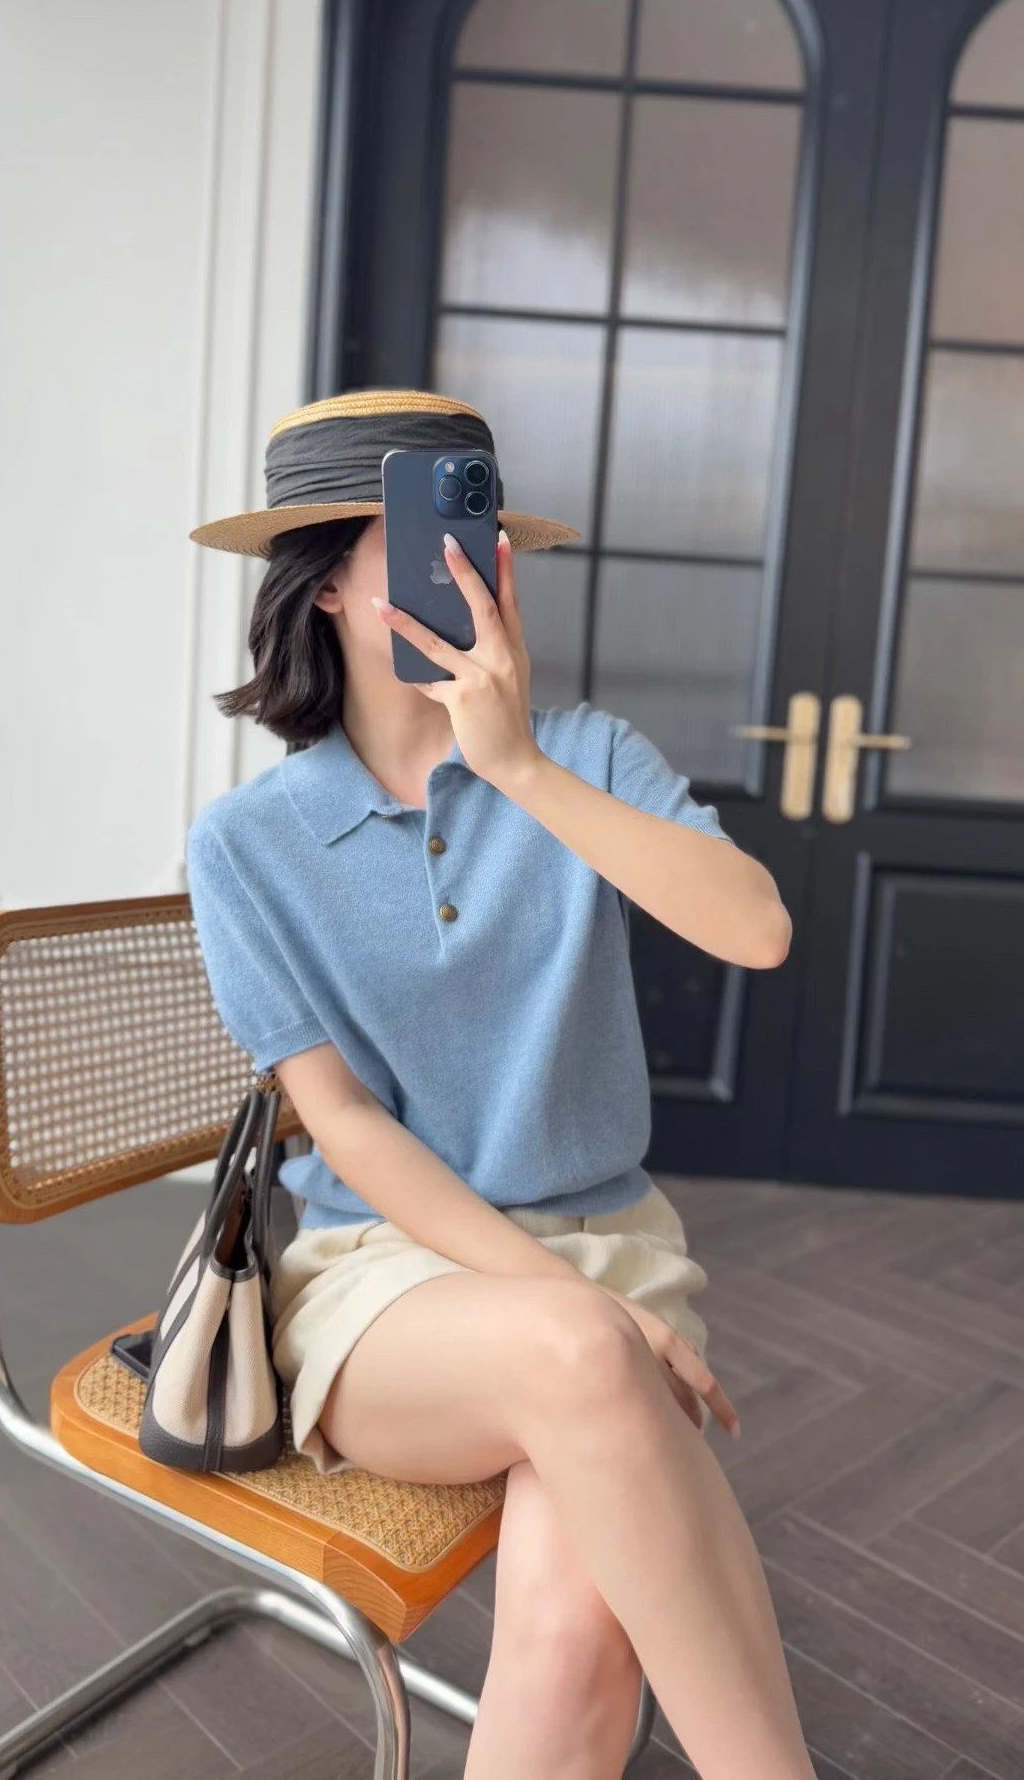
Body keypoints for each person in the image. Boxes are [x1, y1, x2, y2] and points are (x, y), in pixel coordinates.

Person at [184, 388, 815, 1780]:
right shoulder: (245, 843)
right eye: (424, 543)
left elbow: (758, 931)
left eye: (481, 540)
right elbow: (345, 1126)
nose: (467, 572)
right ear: (328, 583)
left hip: (609, 1248)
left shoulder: (588, 759)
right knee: (582, 1353)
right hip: (380, 1279)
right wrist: (579, 1310)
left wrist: (516, 766)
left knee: (574, 1630)